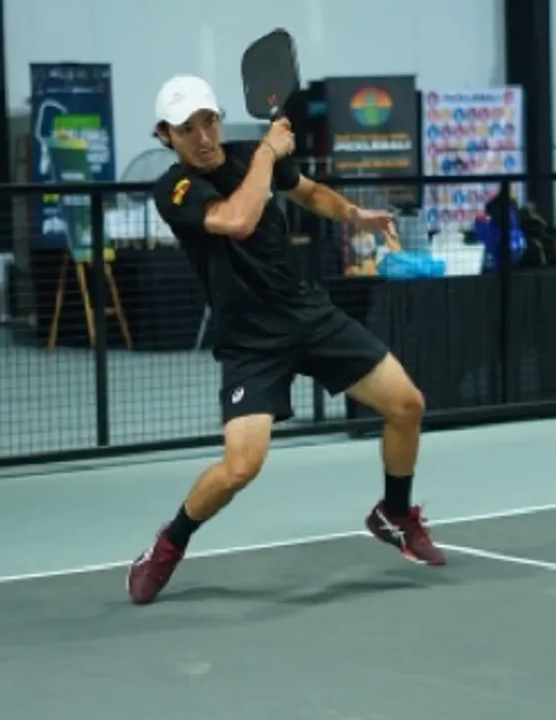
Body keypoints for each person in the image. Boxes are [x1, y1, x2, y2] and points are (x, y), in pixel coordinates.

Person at [127, 74, 446, 605]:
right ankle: (168, 544)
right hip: (250, 341)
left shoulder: (252, 155)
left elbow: (308, 192)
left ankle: (394, 513)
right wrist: (268, 153)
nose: (203, 137)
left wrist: (355, 214)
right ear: (166, 135)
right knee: (240, 468)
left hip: (308, 316)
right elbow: (237, 220)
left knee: (407, 404)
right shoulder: (175, 189)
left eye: (209, 122)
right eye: (187, 129)